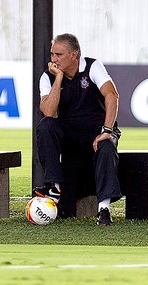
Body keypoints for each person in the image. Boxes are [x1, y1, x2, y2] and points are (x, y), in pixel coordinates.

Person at [33, 33, 122, 226]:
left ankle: (104, 209)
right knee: (46, 126)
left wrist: (107, 130)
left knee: (106, 145)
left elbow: (112, 96)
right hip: (70, 134)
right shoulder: (47, 77)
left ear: (74, 55)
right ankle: (54, 187)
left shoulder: (92, 67)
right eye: (52, 54)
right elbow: (48, 111)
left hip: (95, 132)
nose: (53, 59)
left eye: (59, 54)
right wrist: (58, 78)